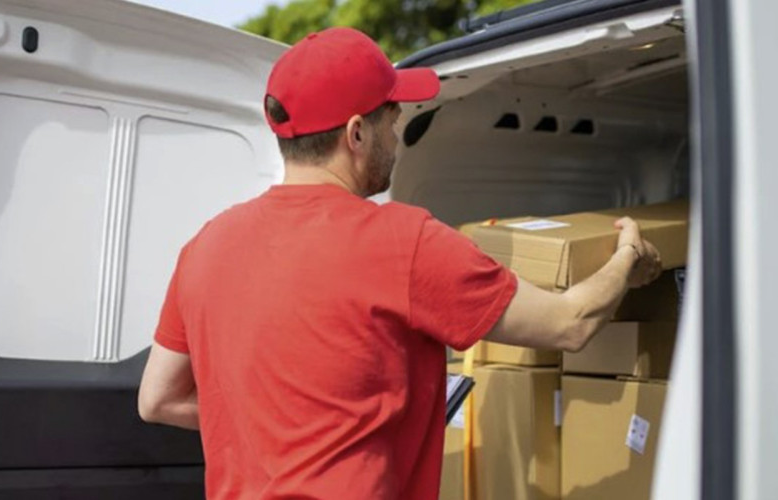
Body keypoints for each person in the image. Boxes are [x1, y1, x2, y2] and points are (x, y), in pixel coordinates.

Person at [138, 27, 662, 500]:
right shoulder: (403, 242)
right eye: (393, 119)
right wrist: (627, 259)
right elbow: (570, 323)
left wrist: (276, 427)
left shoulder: (205, 246)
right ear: (356, 134)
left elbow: (157, 400)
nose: (398, 134)